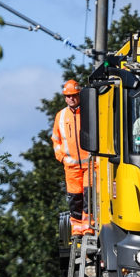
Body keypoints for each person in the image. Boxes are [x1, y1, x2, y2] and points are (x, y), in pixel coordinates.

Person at [51, 79, 93, 236]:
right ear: (64, 97)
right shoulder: (60, 116)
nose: (71, 99)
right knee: (75, 198)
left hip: (90, 164)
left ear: (79, 95)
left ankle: (88, 227)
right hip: (71, 166)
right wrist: (61, 157)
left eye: (74, 95)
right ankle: (76, 228)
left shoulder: (90, 112)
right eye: (68, 96)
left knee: (89, 196)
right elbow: (56, 139)